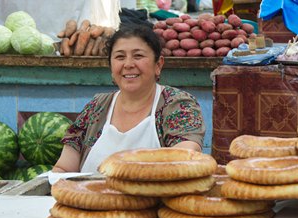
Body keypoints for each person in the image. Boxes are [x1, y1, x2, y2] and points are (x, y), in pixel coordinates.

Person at [53, 24, 206, 174]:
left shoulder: (177, 104)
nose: (128, 64)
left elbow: (185, 159)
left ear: (158, 64)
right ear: (111, 67)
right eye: (120, 57)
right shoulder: (97, 106)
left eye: (138, 56)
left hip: (155, 199)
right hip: (89, 197)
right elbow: (64, 168)